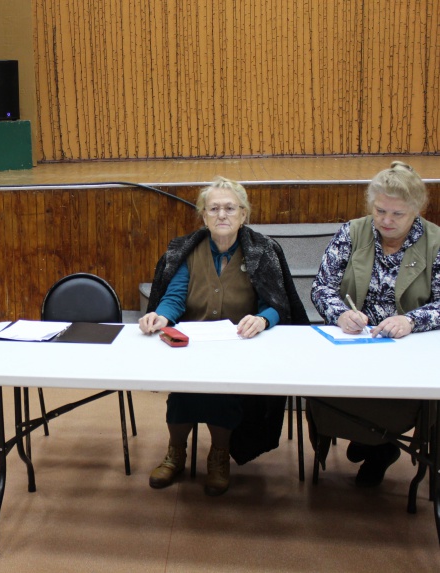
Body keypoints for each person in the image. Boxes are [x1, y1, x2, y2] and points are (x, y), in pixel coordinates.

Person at [139, 176, 309, 495]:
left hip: (240, 346)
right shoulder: (187, 250)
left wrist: (263, 319)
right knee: (183, 393)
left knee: (221, 394)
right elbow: (175, 296)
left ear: (244, 214)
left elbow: (277, 304)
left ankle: (219, 455)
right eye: (213, 208)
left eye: (230, 208)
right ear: (203, 215)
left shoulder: (262, 250)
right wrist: (161, 315)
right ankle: (176, 453)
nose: (221, 215)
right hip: (193, 345)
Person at [308, 161, 440, 486]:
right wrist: (340, 313)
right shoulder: (353, 232)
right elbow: (322, 287)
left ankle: (378, 443)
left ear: (416, 210)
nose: (386, 221)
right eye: (380, 211)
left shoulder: (436, 242)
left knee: (396, 403)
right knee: (326, 390)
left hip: (408, 351)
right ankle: (374, 441)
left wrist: (410, 320)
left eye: (398, 214)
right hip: (354, 345)